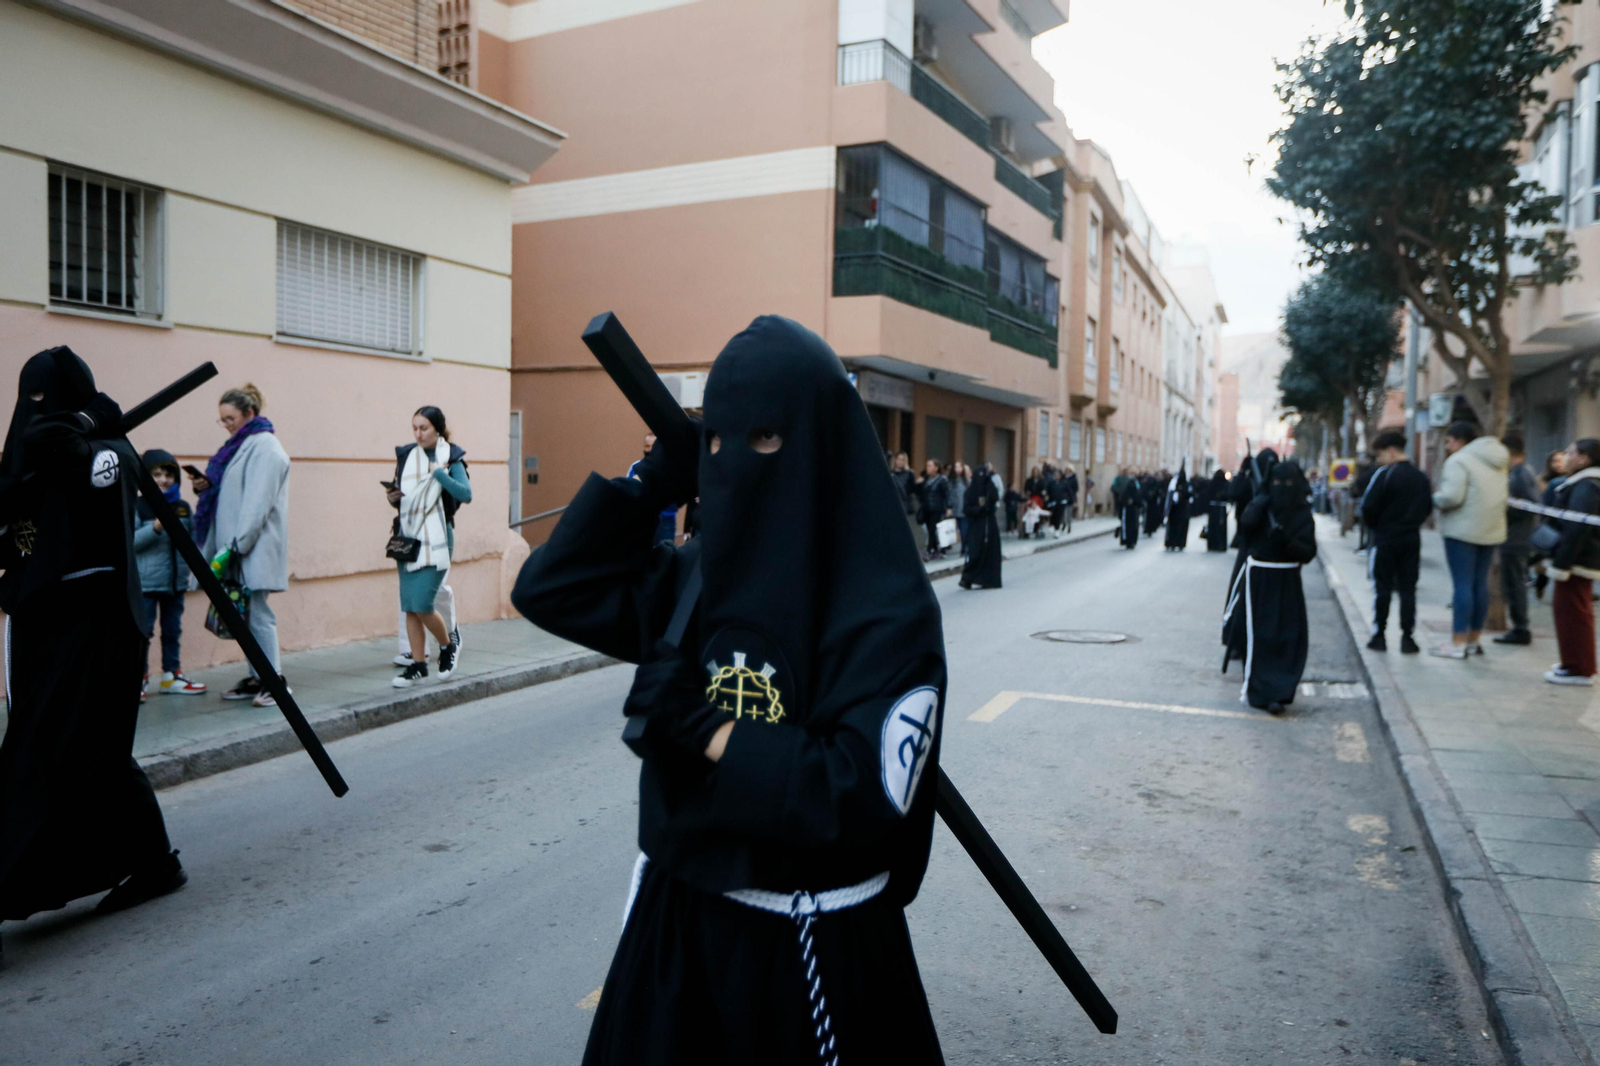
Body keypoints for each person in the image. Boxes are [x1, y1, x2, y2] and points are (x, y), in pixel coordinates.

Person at [513, 315, 947, 1064]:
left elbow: (861, 795)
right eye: (715, 442)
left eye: (766, 442)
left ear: (822, 446)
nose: (734, 464)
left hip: (811, 950)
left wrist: (709, 731)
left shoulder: (884, 607)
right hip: (675, 934)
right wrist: (652, 483)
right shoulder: (697, 576)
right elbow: (554, 589)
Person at [0, 348, 186, 951]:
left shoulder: (110, 450)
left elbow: (77, 458)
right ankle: (155, 861)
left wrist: (86, 423)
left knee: (37, 754)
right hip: (44, 623)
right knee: (97, 757)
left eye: (42, 396)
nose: (32, 411)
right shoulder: (34, 449)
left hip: (97, 623)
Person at [188, 384, 291, 708]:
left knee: (258, 615)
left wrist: (237, 546)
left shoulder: (266, 447)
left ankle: (275, 682)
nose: (227, 424)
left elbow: (256, 503)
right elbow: (232, 494)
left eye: (230, 418)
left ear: (249, 414)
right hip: (235, 547)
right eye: (222, 420)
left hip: (250, 546)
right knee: (244, 617)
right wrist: (208, 487)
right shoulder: (240, 445)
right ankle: (257, 677)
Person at [389, 406, 471, 688]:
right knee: (410, 607)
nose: (418, 433)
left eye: (423, 428)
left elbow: (465, 494)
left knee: (423, 603)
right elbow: (406, 498)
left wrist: (440, 475)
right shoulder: (407, 456)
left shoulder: (451, 457)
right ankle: (418, 664)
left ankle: (448, 645)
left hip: (437, 538)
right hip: (409, 537)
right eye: (414, 428)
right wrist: (394, 498)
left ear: (437, 428)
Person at [1235, 459, 1318, 713]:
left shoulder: (1302, 513)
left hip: (1287, 581)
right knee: (1261, 637)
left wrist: (1288, 541)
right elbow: (1245, 532)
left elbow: (1308, 552)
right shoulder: (1262, 504)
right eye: (1277, 482)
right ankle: (1262, 691)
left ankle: (1282, 690)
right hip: (1259, 580)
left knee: (1288, 636)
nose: (1281, 488)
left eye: (1288, 483)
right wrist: (1257, 506)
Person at [1430, 422, 1508, 659]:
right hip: (1492, 529)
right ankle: (1474, 640)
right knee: (1479, 584)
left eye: (1449, 441)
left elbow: (1453, 496)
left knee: (1462, 585)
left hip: (1462, 530)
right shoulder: (1497, 459)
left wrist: (1436, 498)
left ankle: (1457, 642)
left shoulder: (1459, 460)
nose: (1447, 445)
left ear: (1459, 440)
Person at [133, 449, 205, 697]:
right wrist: (155, 527)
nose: (163, 479)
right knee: (143, 632)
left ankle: (171, 675)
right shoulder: (138, 505)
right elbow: (129, 544)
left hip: (176, 583)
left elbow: (194, 540)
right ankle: (138, 679)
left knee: (173, 631)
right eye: (156, 474)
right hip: (147, 584)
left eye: (168, 474)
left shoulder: (183, 507)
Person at [1359, 431, 1432, 655]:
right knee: (1408, 589)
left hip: (1385, 538)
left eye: (1380, 454)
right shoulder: (1420, 477)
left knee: (1382, 588)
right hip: (1411, 538)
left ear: (1391, 451)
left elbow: (1367, 508)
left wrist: (1378, 528)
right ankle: (1407, 638)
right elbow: (1427, 507)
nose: (1379, 460)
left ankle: (1379, 635)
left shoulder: (1384, 475)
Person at [1543, 439, 1600, 685]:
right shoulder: (1584, 483)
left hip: (1577, 561)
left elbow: (1576, 527)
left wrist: (1562, 565)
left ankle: (1578, 667)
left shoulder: (1587, 486)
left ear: (1585, 458)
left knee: (1573, 614)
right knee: (1573, 612)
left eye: (1571, 453)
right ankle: (1576, 663)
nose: (1566, 456)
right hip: (1579, 558)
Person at [1222, 449, 1278, 670]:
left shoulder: (1278, 483)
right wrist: (1244, 472)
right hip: (1248, 544)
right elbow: (1233, 494)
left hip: (1271, 550)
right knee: (1240, 597)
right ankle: (1236, 640)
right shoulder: (1250, 481)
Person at [1494, 433, 1539, 646]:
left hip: (1516, 538)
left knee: (1515, 584)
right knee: (1513, 583)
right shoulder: (1519, 473)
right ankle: (1519, 626)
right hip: (1514, 537)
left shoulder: (1521, 475)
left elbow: (1528, 506)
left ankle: (1521, 628)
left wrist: (1505, 511)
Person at [627, 434, 680, 545]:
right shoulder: (636, 467)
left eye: (652, 446)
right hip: (643, 518)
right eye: (647, 446)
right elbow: (629, 489)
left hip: (666, 519)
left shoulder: (671, 467)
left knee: (665, 553)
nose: (649, 449)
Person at [960, 462, 1003, 589]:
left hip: (990, 523)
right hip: (976, 525)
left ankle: (988, 579)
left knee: (991, 552)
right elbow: (966, 509)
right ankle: (968, 578)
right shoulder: (970, 492)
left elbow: (995, 497)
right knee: (974, 552)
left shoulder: (989, 487)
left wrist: (989, 481)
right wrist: (978, 509)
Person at [917, 458, 951, 560]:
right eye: (927, 466)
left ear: (936, 468)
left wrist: (949, 507)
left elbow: (947, 494)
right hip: (927, 508)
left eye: (930, 466)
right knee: (929, 529)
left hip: (937, 508)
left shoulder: (942, 480)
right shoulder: (926, 479)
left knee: (933, 529)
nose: (928, 468)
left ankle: (930, 549)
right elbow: (921, 494)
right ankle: (935, 549)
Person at [889, 452, 922, 550]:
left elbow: (913, 489)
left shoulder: (909, 474)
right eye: (898, 459)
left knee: (902, 526)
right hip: (892, 503)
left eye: (902, 460)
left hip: (904, 503)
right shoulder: (890, 473)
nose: (900, 462)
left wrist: (918, 484)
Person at [1164, 463, 1192, 551]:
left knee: (1178, 528)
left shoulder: (1184, 484)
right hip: (1176, 510)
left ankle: (1177, 543)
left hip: (1180, 510)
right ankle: (1174, 543)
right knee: (1175, 527)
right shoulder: (1175, 483)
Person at [1204, 469, 1230, 551]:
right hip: (1221, 507)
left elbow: (1207, 495)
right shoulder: (1226, 483)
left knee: (1213, 526)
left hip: (1213, 507)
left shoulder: (1212, 483)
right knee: (1221, 527)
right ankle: (1220, 545)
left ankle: (1212, 545)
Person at [949, 462, 970, 553]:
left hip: (963, 508)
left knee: (963, 529)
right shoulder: (950, 481)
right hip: (952, 508)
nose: (957, 469)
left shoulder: (967, 481)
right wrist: (948, 507)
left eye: (959, 467)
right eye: (955, 467)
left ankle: (964, 547)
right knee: (949, 529)